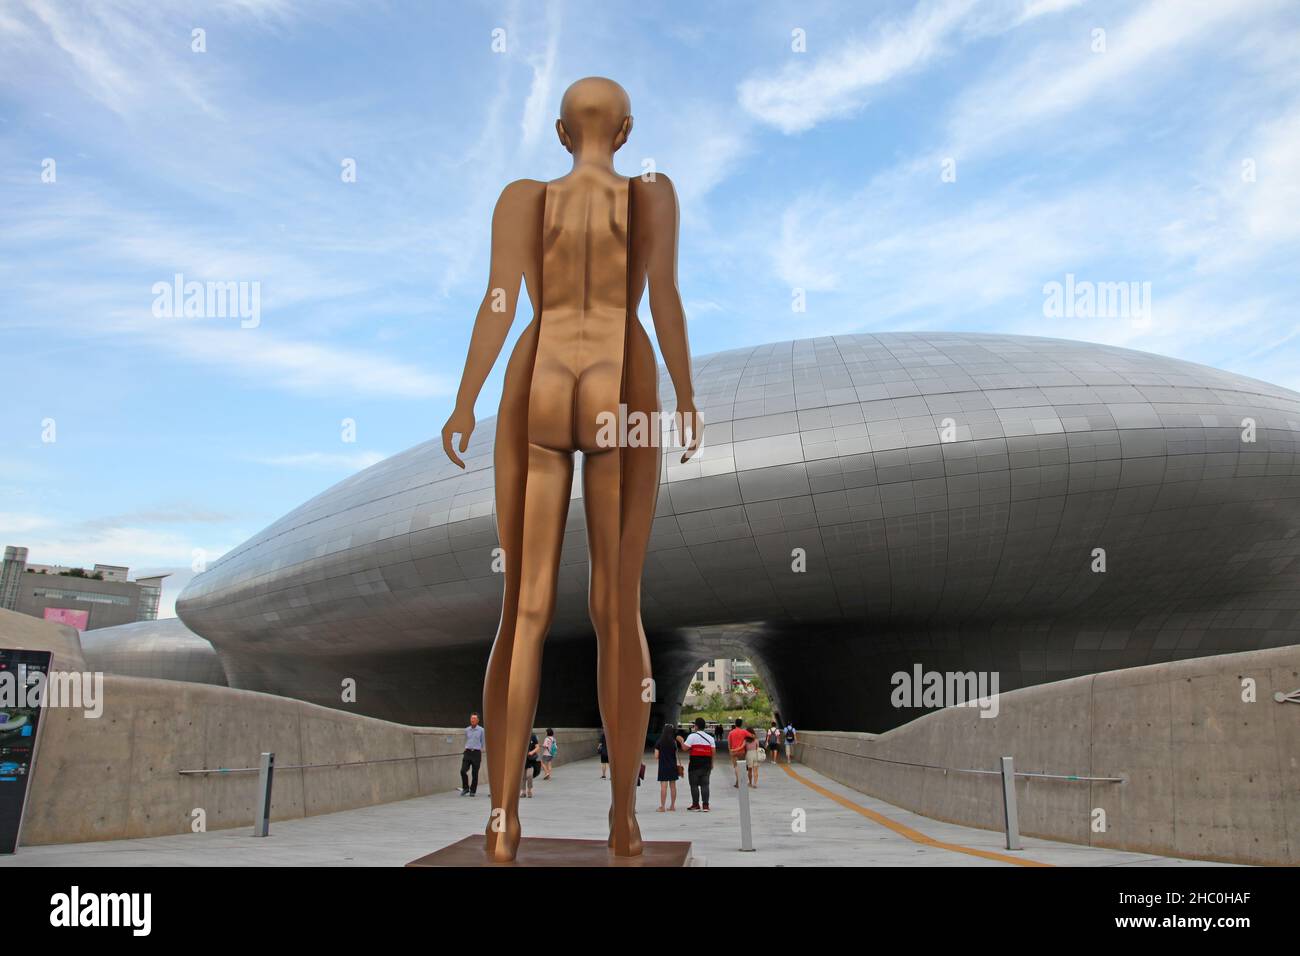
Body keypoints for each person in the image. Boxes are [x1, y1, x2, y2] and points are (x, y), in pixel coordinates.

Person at [441, 76, 702, 862]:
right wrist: (686, 393)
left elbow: (498, 300)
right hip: (619, 374)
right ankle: (624, 819)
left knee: (521, 606)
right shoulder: (650, 193)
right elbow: (662, 296)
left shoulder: (524, 197)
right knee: (617, 606)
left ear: (560, 134)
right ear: (625, 131)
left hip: (541, 373)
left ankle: (502, 819)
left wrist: (465, 400)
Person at [683, 717, 715, 812]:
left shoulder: (692, 736)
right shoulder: (710, 738)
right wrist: (712, 764)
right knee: (705, 785)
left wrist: (681, 741)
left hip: (694, 765)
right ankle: (705, 806)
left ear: (696, 726)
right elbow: (713, 752)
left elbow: (685, 748)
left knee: (694, 785)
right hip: (706, 765)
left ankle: (696, 805)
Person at [654, 722, 685, 812]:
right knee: (673, 786)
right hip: (672, 767)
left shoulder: (659, 741)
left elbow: (656, 756)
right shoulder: (674, 742)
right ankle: (672, 806)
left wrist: (662, 756)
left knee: (663, 787)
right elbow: (676, 752)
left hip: (663, 766)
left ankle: (662, 807)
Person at [459, 712, 485, 796]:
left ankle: (473, 791)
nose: (472, 720)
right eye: (471, 718)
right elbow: (465, 740)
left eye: (474, 719)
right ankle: (465, 788)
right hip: (467, 752)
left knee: (475, 773)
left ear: (478, 720)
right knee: (463, 770)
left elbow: (483, 741)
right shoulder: (467, 730)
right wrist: (466, 747)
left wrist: (480, 749)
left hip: (476, 753)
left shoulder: (481, 730)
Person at [727, 718, 755, 788]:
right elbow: (752, 736)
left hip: (734, 752)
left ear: (735, 724)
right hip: (742, 752)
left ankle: (738, 782)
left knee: (736, 767)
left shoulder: (731, 732)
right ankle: (738, 782)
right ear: (741, 724)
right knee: (741, 767)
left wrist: (730, 751)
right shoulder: (744, 732)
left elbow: (729, 743)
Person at [521, 734, 541, 798]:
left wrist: (531, 752)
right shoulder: (520, 735)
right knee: (522, 777)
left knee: (529, 775)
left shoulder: (533, 736)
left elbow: (537, 747)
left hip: (531, 760)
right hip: (522, 759)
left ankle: (529, 790)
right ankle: (523, 792)